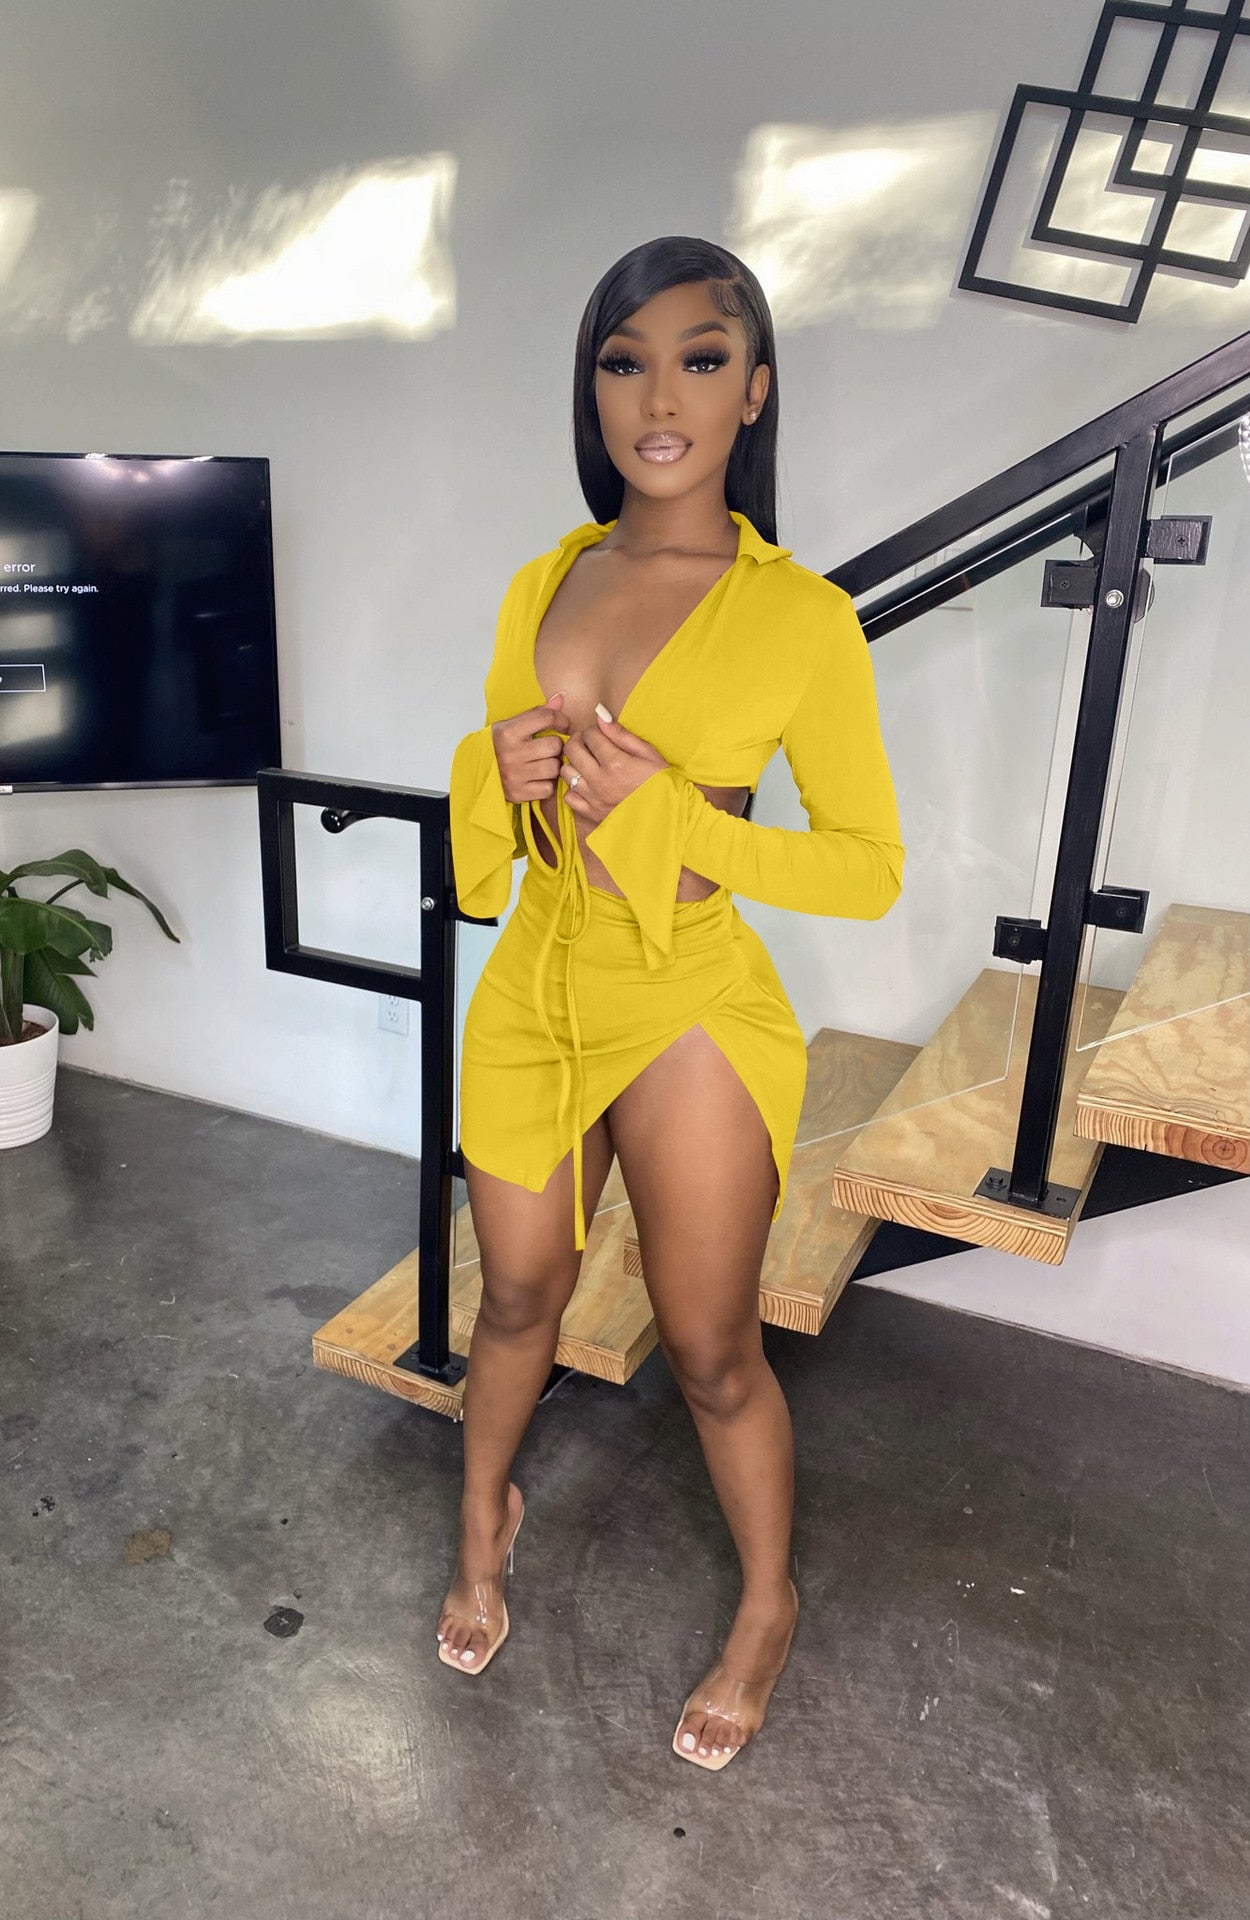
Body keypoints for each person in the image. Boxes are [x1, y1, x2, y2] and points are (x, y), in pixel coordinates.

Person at [440, 236, 905, 1770]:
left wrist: (688, 824)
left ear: (753, 390)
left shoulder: (798, 616)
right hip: (537, 979)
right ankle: (484, 1525)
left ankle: (767, 1603)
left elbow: (865, 869)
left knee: (708, 1346)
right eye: (624, 361)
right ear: (592, 389)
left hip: (690, 992)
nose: (660, 397)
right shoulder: (541, 579)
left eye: (701, 359)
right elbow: (495, 822)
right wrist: (488, 774)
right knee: (515, 1296)